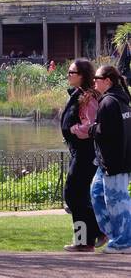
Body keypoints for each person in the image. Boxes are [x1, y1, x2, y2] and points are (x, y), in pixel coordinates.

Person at [87, 65, 131, 255]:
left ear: (108, 81)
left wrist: (91, 129)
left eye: (97, 78)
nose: (94, 81)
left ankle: (125, 241)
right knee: (96, 192)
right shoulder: (121, 100)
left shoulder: (109, 102)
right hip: (109, 161)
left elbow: (106, 132)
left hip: (115, 162)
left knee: (117, 201)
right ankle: (116, 235)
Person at [61, 59, 104, 251]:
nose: (69, 75)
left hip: (86, 153)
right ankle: (87, 238)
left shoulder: (88, 97)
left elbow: (91, 125)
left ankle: (90, 236)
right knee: (76, 196)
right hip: (78, 151)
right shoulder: (78, 94)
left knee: (73, 194)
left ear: (83, 76)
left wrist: (73, 129)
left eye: (72, 73)